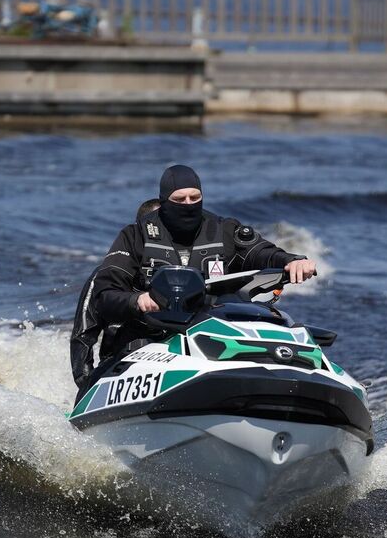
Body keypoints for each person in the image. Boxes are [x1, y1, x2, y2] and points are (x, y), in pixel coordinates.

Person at [72, 164, 316, 389]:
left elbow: (261, 252)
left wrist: (292, 261)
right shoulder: (134, 236)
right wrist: (137, 301)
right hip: (148, 344)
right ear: (164, 202)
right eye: (179, 199)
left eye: (194, 198)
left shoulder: (224, 230)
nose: (188, 204)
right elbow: (103, 296)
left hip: (211, 340)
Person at [70, 198, 160, 388]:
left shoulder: (183, 274)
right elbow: (83, 335)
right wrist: (86, 382)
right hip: (119, 366)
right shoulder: (106, 275)